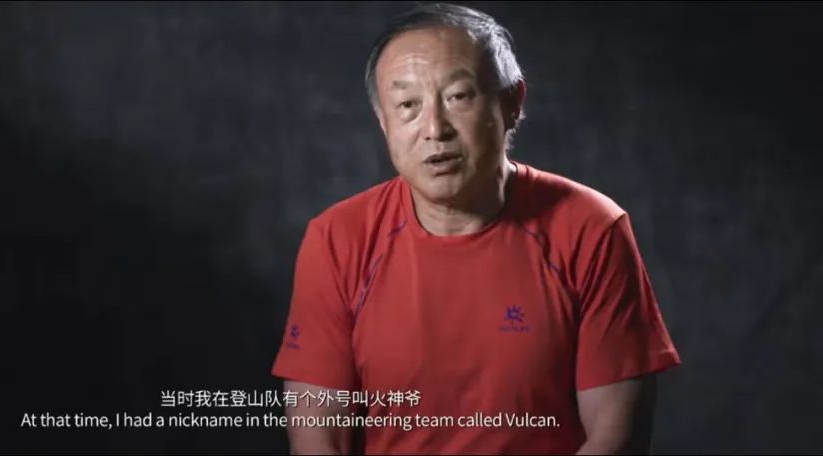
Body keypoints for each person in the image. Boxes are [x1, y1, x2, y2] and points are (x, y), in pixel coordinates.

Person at [271, 3, 681, 454]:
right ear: (383, 122)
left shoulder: (591, 229)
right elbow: (318, 439)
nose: (435, 129)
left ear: (512, 102)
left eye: (459, 96)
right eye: (407, 105)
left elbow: (615, 438)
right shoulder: (338, 239)